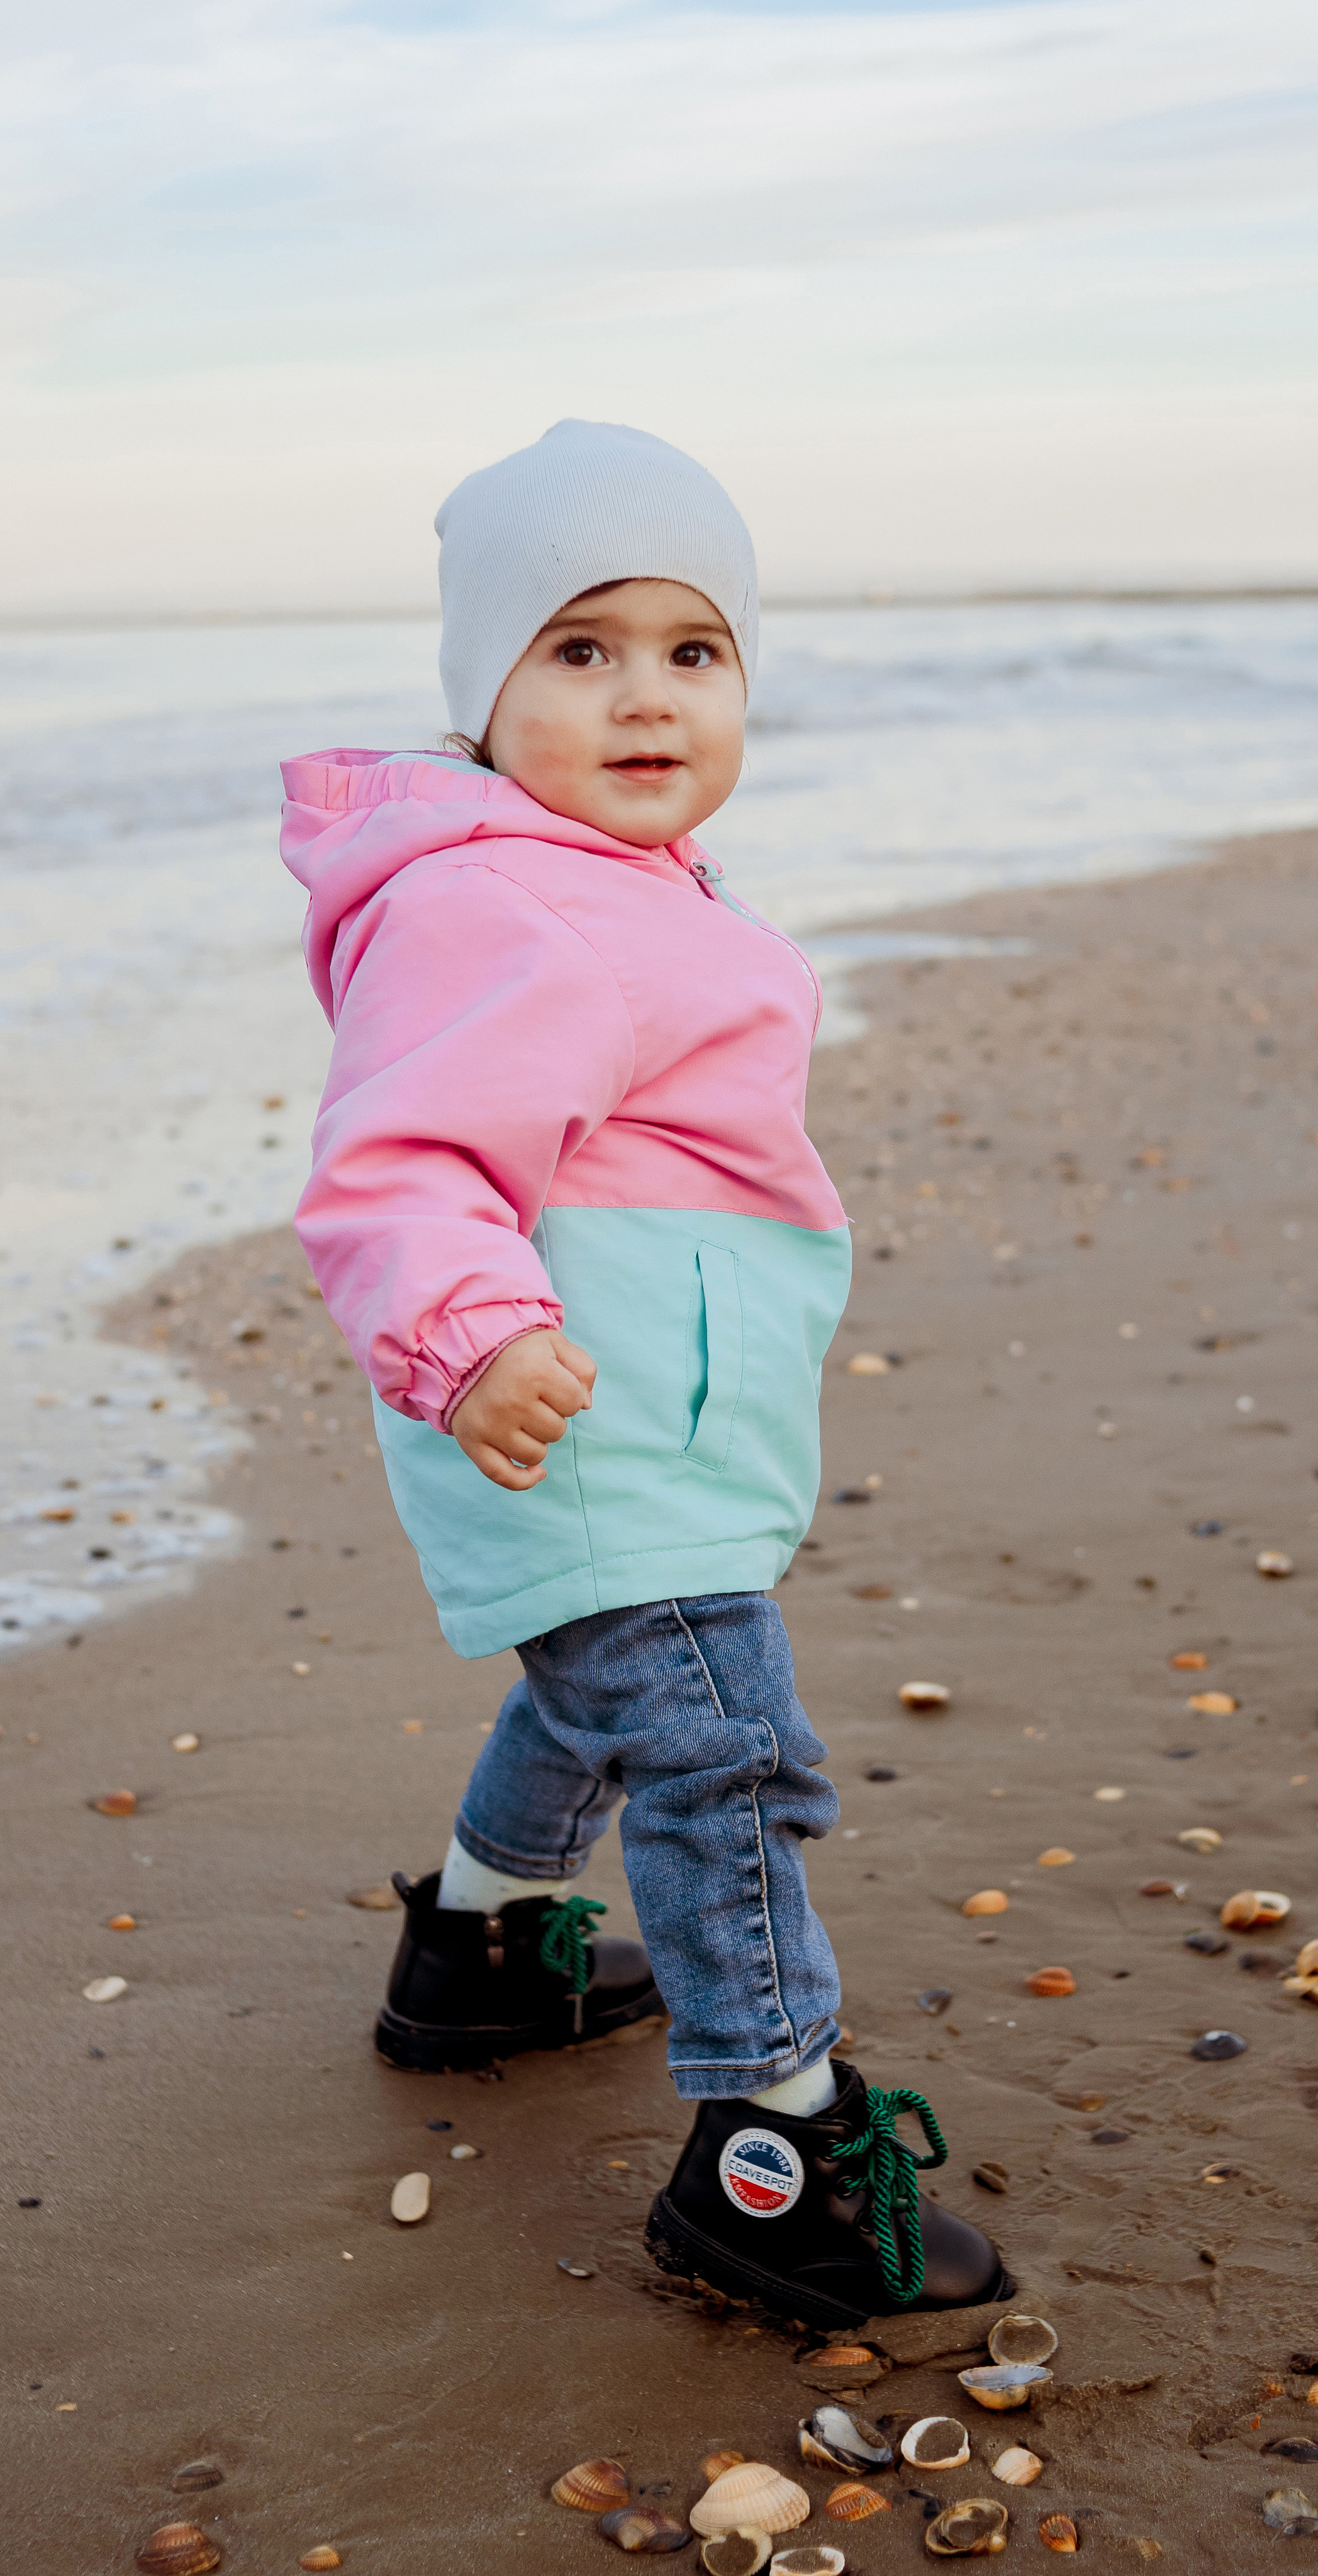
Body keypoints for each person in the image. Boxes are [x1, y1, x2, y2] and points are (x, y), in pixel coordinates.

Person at [280, 419, 1008, 2326]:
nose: (645, 695)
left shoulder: (622, 879)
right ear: (485, 685)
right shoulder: (494, 900)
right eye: (579, 648)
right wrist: (478, 1335)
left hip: (660, 1408)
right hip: (569, 1399)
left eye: (694, 651)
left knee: (608, 1688)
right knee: (720, 1749)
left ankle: (484, 1946)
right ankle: (769, 2145)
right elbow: (402, 1162)